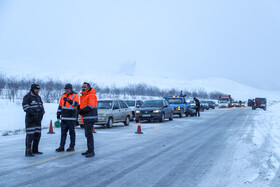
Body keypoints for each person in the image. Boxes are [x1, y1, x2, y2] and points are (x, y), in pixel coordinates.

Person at [22, 84, 45, 157]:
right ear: (32, 89)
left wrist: (42, 112)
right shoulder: (27, 97)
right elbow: (25, 107)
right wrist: (34, 113)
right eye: (36, 89)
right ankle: (28, 151)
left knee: (37, 135)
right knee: (30, 136)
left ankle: (35, 150)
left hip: (38, 120)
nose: (37, 91)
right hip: (30, 120)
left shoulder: (38, 97)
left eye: (38, 89)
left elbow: (41, 106)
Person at [56, 83, 79, 152]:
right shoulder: (63, 95)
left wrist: (69, 100)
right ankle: (61, 146)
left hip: (71, 118)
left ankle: (72, 146)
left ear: (70, 89)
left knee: (72, 133)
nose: (66, 90)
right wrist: (58, 113)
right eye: (65, 89)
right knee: (63, 133)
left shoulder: (75, 95)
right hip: (64, 117)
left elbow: (76, 104)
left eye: (67, 89)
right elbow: (60, 105)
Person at [79, 82, 98, 158]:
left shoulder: (91, 95)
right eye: (82, 87)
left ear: (89, 87)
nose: (83, 88)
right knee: (87, 134)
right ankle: (89, 150)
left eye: (85, 87)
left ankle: (91, 151)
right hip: (86, 117)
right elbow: (83, 106)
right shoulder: (84, 96)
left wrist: (81, 111)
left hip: (90, 117)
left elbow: (90, 106)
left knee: (89, 135)